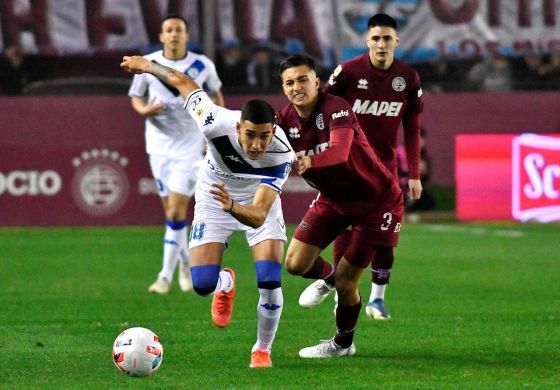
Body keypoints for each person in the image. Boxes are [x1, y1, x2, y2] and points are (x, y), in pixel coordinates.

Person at [121, 54, 295, 368]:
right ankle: (224, 283)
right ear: (239, 126)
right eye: (251, 135)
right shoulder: (214, 120)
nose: (257, 145)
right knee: (202, 284)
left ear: (274, 131)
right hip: (214, 195)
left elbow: (258, 214)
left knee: (269, 279)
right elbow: (183, 82)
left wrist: (234, 206)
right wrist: (147, 66)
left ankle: (262, 350)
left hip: (256, 202)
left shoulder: (282, 154)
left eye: (264, 136)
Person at [276, 54, 404, 357]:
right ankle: (329, 277)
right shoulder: (283, 121)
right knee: (294, 264)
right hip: (333, 199)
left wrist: (310, 160)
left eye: (303, 79)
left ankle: (342, 344)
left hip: (376, 202)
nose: (297, 87)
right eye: (290, 82)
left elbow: (341, 151)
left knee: (349, 283)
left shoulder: (336, 106)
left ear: (317, 82)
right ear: (283, 88)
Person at [298, 13, 424, 320]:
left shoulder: (408, 78)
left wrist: (415, 175)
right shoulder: (349, 72)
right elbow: (320, 107)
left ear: (397, 40)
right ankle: (338, 288)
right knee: (345, 225)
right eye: (375, 38)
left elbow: (412, 126)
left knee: (385, 235)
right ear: (367, 41)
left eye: (387, 38)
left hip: (386, 168)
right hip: (349, 166)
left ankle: (377, 299)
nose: (381, 44)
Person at [128, 14, 224, 294]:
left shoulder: (202, 65)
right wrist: (145, 110)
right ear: (161, 36)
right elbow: (136, 97)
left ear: (186, 36)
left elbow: (216, 96)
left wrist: (213, 129)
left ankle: (164, 277)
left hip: (189, 145)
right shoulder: (148, 62)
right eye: (168, 30)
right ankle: (184, 263)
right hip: (157, 146)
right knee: (172, 215)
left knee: (176, 210)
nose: (173, 34)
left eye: (178, 30)